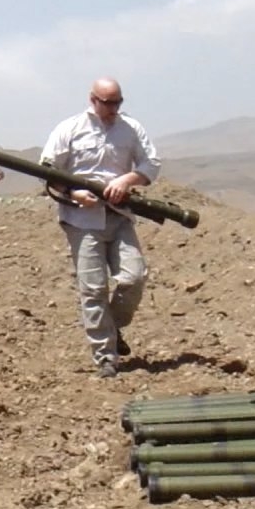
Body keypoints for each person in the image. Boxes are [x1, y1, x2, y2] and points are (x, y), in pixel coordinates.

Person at [40, 77, 162, 378]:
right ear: (93, 99)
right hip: (81, 219)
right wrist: (74, 193)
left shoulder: (131, 128)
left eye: (118, 102)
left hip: (119, 215)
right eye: (108, 103)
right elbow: (48, 170)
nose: (113, 108)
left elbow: (151, 164)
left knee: (134, 277)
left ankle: (113, 327)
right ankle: (105, 356)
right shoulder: (69, 129)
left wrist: (127, 180)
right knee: (93, 288)